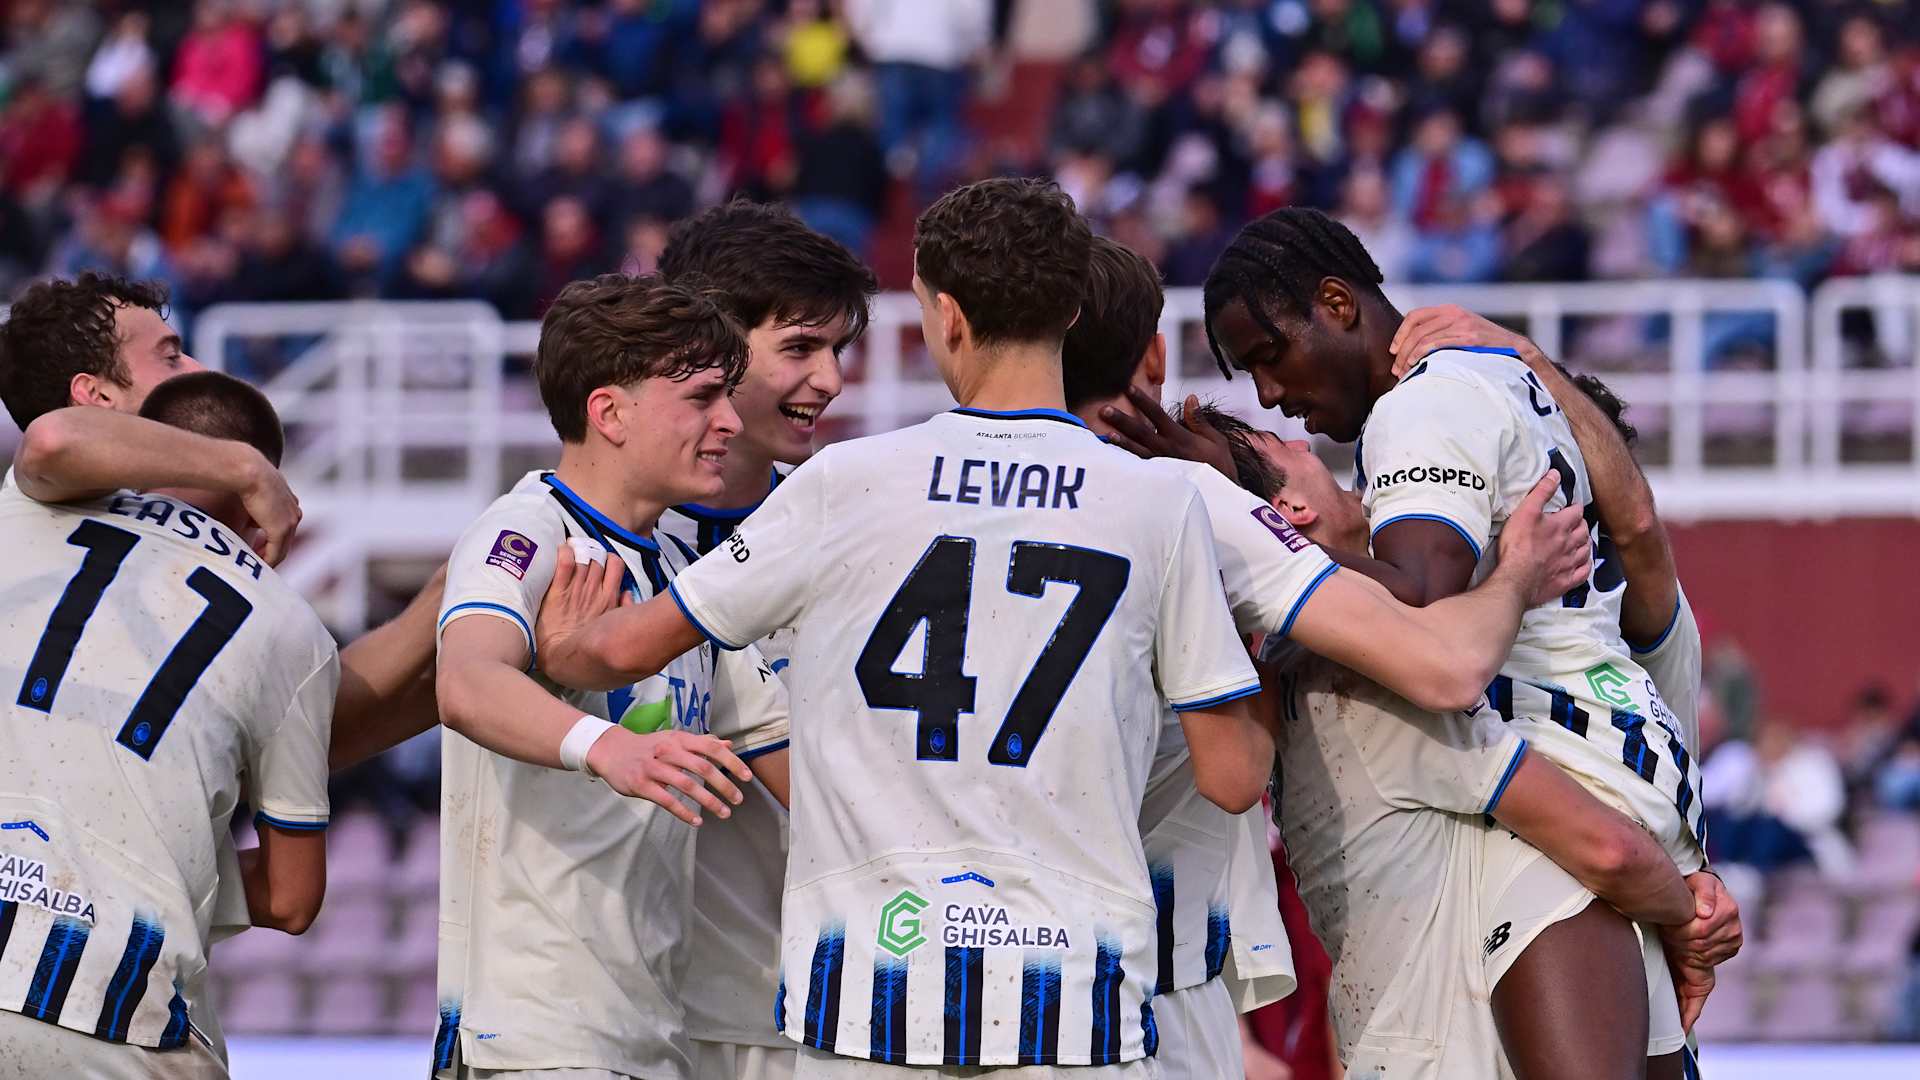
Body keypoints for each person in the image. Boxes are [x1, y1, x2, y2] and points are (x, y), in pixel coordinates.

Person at [532, 178, 1588, 1077]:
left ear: (945, 317)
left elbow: (619, 648)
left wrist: (571, 646)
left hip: (867, 1000)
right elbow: (1254, 761)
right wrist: (1507, 578)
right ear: (1096, 326)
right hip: (1083, 997)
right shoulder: (1166, 503)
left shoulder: (848, 484)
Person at [1062, 236, 1711, 1080]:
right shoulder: (1360, 673)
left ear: (1337, 304)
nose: (1275, 403)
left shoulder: (1420, 427)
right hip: (1583, 856)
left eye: (1267, 359)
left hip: (1489, 929)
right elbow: (1627, 543)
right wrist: (1689, 907)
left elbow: (1445, 606)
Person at [429, 273, 793, 1080]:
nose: (731, 422)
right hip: (538, 1037)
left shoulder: (676, 568)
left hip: (649, 1032)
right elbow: (465, 682)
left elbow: (783, 754)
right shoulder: (526, 530)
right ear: (609, 412)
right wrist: (610, 747)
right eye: (701, 398)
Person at [0, 371, 336, 1080]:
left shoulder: (31, 511)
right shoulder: (294, 629)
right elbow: (292, 897)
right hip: (116, 1010)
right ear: (261, 500)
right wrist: (165, 866)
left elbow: (52, 440)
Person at [0, 272, 442, 770]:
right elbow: (53, 442)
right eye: (170, 357)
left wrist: (456, 593)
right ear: (97, 395)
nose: (199, 368)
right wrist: (246, 467)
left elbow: (315, 723)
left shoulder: (191, 527)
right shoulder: (39, 502)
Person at [1060, 236, 1297, 1080]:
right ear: (1155, 355)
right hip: (1161, 970)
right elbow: (1235, 775)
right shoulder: (1188, 500)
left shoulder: (938, 502)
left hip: (1003, 966)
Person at [655, 200, 877, 1080]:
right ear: (707, 349)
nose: (830, 380)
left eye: (839, 350)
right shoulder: (606, 541)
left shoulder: (859, 525)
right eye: (800, 347)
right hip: (656, 1008)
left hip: (831, 1003)